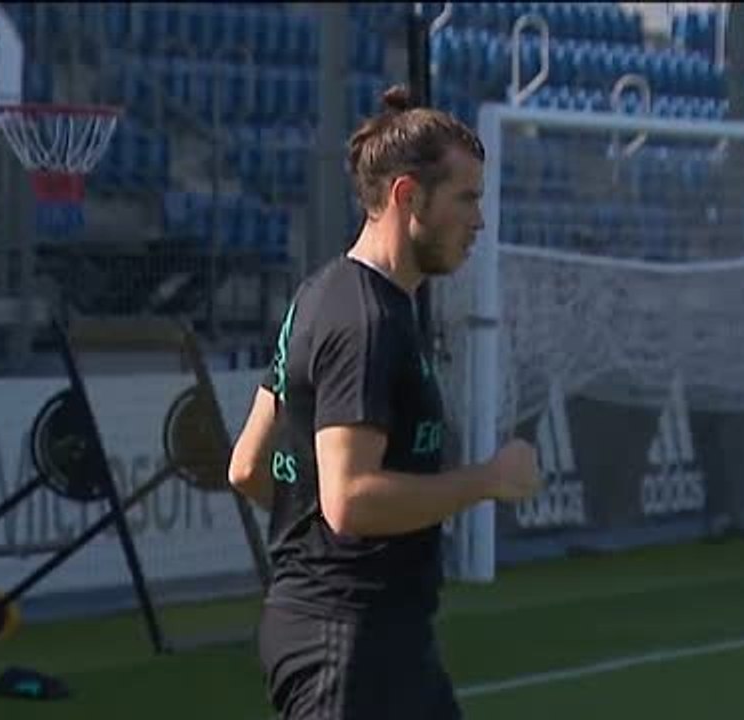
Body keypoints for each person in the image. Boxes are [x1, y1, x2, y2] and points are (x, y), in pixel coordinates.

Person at [228, 84, 544, 720]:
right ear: (407, 196)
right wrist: (487, 480)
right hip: (347, 642)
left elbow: (247, 467)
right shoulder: (366, 321)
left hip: (370, 637)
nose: (478, 220)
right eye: (466, 199)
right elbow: (350, 500)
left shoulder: (327, 296)